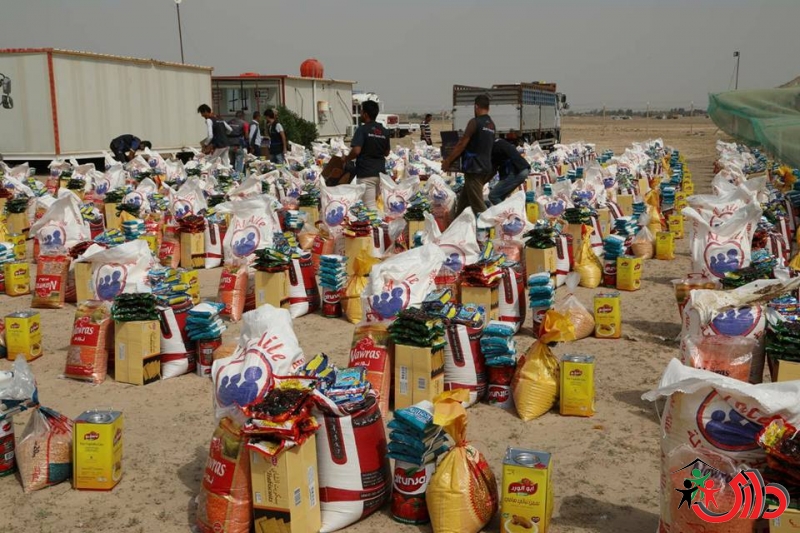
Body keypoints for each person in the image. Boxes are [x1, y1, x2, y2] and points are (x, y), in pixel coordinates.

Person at [441, 95, 496, 216]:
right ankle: (456, 226)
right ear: (488, 108)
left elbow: (461, 144)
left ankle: (489, 229)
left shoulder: (474, 122)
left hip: (474, 169)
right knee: (464, 202)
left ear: (476, 107)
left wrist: (448, 161)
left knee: (478, 207)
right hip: (485, 168)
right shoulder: (491, 125)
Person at [344, 100, 389, 210]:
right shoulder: (384, 131)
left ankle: (377, 227)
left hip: (366, 173)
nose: (360, 115)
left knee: (370, 207)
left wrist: (346, 159)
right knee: (374, 204)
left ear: (365, 114)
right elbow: (386, 152)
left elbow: (356, 151)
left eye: (361, 112)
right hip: (380, 173)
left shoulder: (362, 129)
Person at [488, 138, 531, 205]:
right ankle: (511, 211)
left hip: (516, 172)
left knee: (493, 196)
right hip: (524, 168)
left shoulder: (492, 148)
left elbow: (492, 170)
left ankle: (507, 214)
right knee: (500, 197)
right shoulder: (499, 141)